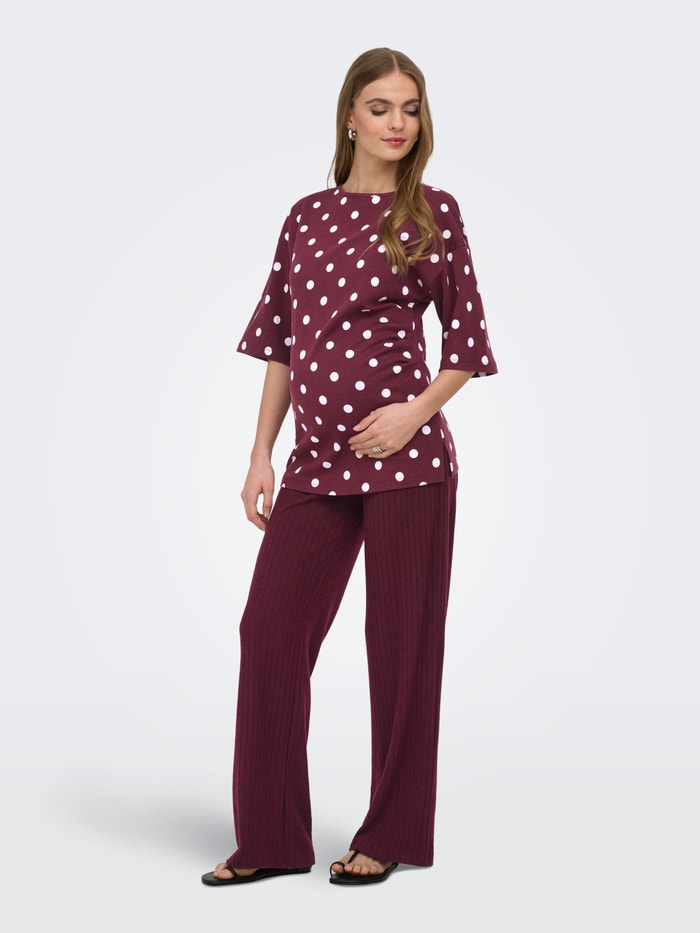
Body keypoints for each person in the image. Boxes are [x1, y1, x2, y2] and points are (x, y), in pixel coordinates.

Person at [201, 46, 498, 888]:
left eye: (410, 107)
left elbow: (467, 344)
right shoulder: (307, 216)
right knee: (269, 632)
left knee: (401, 649)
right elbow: (281, 343)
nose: (398, 122)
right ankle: (270, 838)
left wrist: (413, 413)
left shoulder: (433, 212)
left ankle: (391, 830)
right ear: (349, 118)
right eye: (380, 107)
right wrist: (260, 453)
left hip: (411, 464)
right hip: (315, 464)